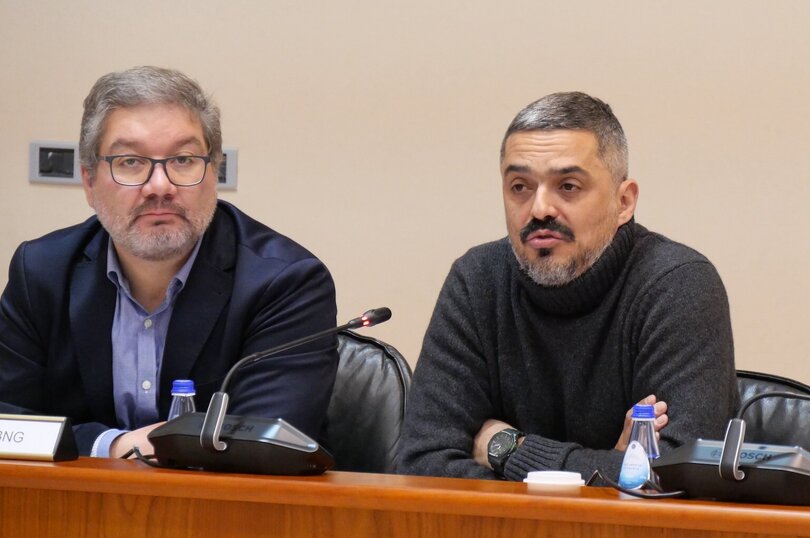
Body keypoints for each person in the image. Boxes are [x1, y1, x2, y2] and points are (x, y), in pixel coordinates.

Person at [396, 92, 739, 482]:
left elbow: (675, 478)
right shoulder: (476, 281)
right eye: (520, 187)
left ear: (623, 202)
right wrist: (609, 470)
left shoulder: (678, 285)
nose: (540, 208)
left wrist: (505, 447)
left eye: (569, 186)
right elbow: (420, 464)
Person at [0, 66, 338, 458]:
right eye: (129, 162)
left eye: (183, 160)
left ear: (213, 172)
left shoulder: (286, 283)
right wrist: (111, 445)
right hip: (74, 513)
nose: (160, 186)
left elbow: (266, 443)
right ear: (89, 181)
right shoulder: (41, 271)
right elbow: (8, 423)